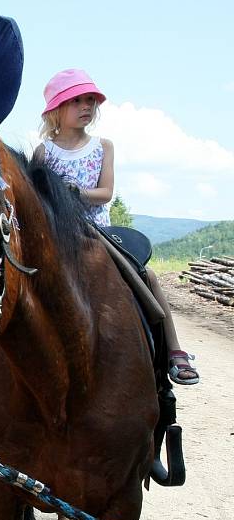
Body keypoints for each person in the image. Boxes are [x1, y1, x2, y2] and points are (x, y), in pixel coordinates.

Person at [34, 68, 199, 387]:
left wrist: (73, 192)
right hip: (57, 234)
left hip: (96, 232)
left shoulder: (102, 147)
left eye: (90, 101)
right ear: (57, 109)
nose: (86, 107)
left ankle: (174, 352)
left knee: (145, 275)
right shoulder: (44, 152)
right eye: (76, 101)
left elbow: (105, 193)